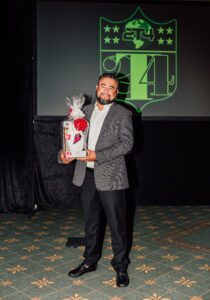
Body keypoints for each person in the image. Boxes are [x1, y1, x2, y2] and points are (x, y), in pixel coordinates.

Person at [59, 73, 133, 287]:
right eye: (103, 86)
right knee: (91, 224)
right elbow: (71, 140)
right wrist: (64, 154)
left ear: (116, 92)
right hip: (87, 177)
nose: (106, 90)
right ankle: (90, 261)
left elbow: (126, 144)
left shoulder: (123, 114)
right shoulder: (83, 112)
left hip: (112, 178)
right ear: (96, 87)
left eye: (111, 88)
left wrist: (97, 155)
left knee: (117, 226)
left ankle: (120, 266)